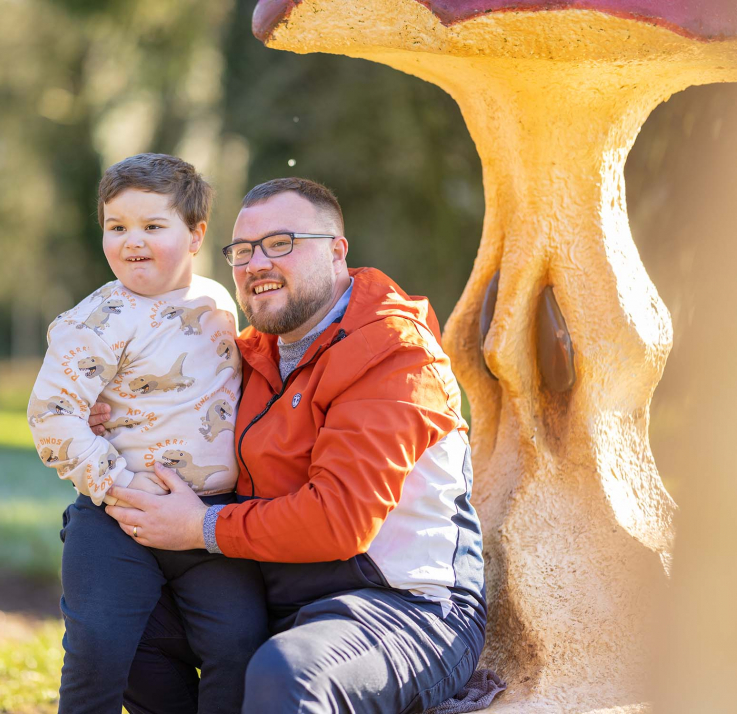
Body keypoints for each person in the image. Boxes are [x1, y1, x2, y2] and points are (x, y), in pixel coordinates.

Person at [101, 178, 487, 713]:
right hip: (277, 595)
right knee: (117, 618)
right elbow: (177, 413)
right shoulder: (247, 354)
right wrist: (112, 410)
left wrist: (200, 527)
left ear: (337, 252)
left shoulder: (394, 354)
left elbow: (340, 520)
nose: (256, 262)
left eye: (281, 243)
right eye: (242, 250)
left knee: (290, 674)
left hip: (406, 608)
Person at [27, 153, 269, 714]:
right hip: (117, 514)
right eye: (117, 227)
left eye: (153, 226)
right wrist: (115, 485)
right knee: (99, 648)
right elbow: (53, 415)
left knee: (240, 643)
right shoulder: (95, 321)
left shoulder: (218, 302)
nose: (132, 241)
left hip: (209, 517)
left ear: (195, 234)